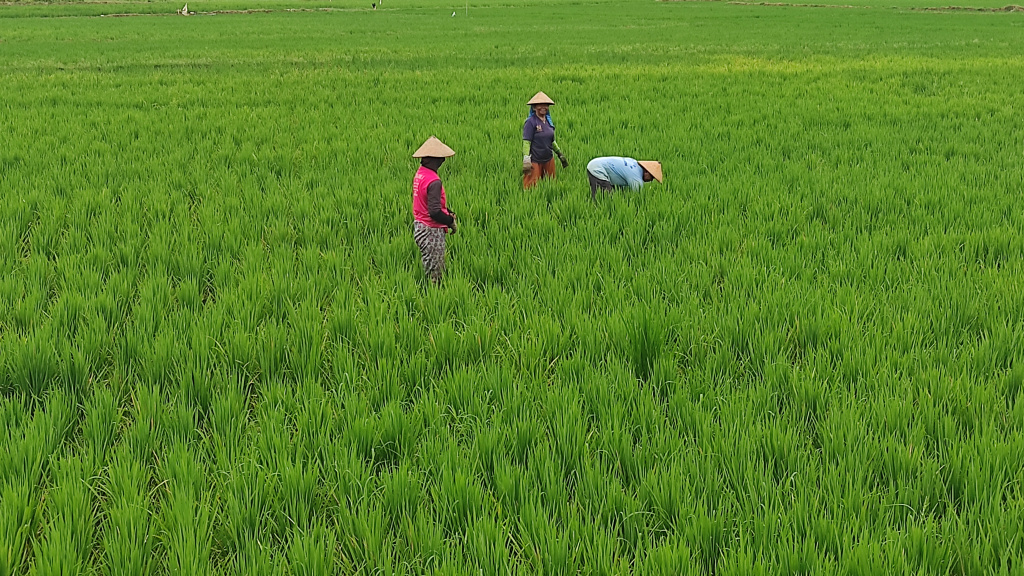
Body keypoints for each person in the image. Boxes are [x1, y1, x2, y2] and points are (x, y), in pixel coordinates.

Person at [412, 136, 457, 283]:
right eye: (440, 158)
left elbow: (429, 202)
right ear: (432, 159)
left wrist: (448, 211)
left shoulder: (420, 174)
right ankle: (432, 297)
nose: (443, 161)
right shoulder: (434, 181)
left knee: (429, 263)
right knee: (435, 273)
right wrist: (450, 220)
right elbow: (434, 212)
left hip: (419, 226)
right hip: (431, 231)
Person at [522, 92, 568, 188]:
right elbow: (527, 142)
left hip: (548, 159)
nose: (543, 107)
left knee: (550, 184)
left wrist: (560, 154)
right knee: (532, 187)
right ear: (534, 107)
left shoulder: (548, 122)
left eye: (546, 105)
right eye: (540, 105)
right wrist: (526, 159)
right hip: (535, 160)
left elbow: (551, 141)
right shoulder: (530, 122)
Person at [585, 157, 663, 200]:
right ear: (647, 172)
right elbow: (638, 197)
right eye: (652, 177)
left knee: (618, 193)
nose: (651, 180)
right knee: (606, 199)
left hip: (596, 164)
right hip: (598, 169)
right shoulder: (635, 176)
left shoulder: (634, 163)